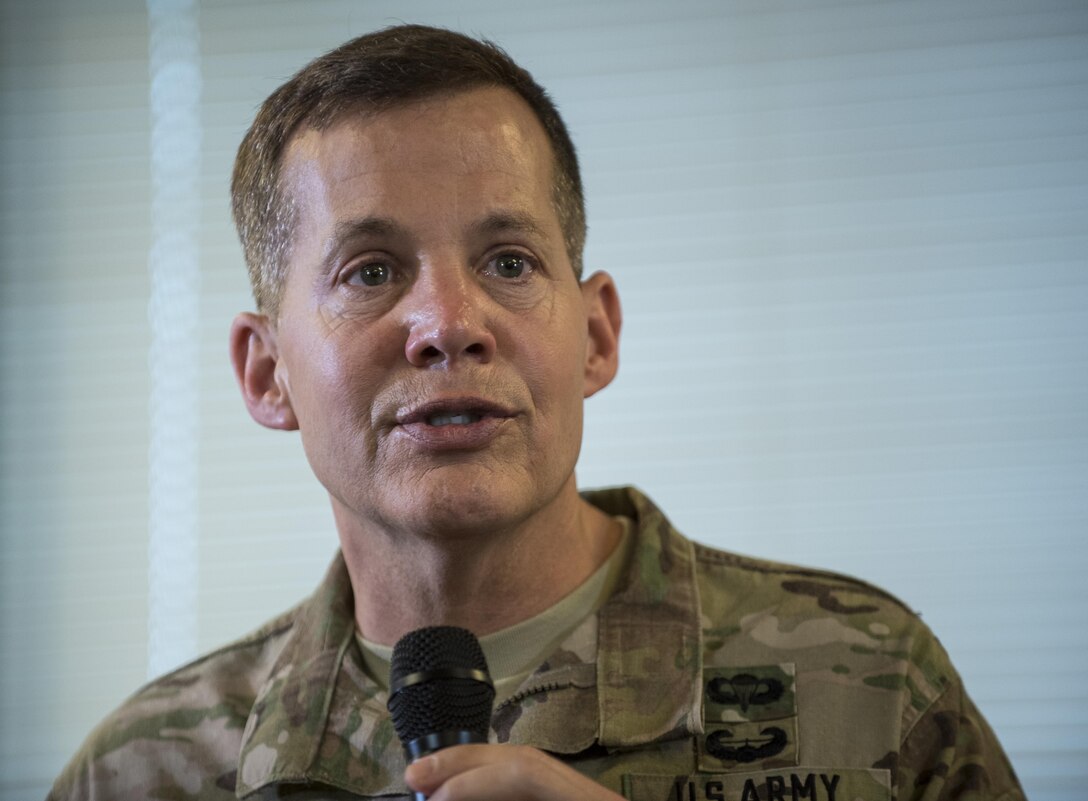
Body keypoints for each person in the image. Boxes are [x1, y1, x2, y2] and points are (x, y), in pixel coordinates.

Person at [50, 24, 1024, 801]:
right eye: (371, 271)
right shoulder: (143, 774)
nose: (446, 324)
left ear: (594, 336)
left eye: (508, 262)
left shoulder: (869, 686)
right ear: (265, 375)